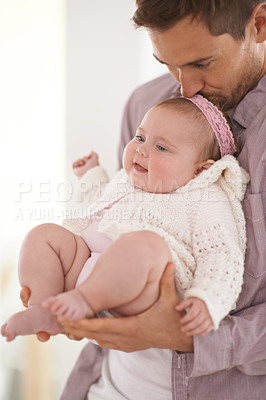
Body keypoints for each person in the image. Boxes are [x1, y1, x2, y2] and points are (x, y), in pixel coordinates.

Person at [21, 1, 266, 399]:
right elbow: (116, 204)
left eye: (202, 63)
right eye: (167, 63)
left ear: (258, 23)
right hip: (109, 386)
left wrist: (192, 337)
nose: (184, 87)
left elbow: (218, 260)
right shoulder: (145, 105)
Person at [1, 95, 247, 344]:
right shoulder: (128, 178)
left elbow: (222, 255)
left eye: (161, 147)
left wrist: (207, 298)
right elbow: (100, 204)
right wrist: (91, 176)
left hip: (136, 292)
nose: (141, 149)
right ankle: (45, 308)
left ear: (200, 170)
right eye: (140, 137)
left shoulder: (206, 199)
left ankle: (82, 301)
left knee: (146, 245)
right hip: (83, 263)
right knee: (45, 235)